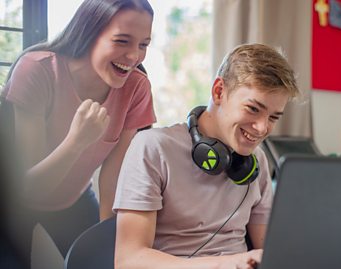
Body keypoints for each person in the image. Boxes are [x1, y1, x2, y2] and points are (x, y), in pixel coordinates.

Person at [113, 43, 299, 269]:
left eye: (273, 117)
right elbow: (129, 260)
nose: (262, 128)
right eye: (253, 109)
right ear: (219, 91)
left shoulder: (256, 160)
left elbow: (270, 252)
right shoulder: (153, 147)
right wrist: (228, 263)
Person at [0, 0, 156, 266]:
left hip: (73, 199)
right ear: (89, 33)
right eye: (122, 41)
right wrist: (77, 141)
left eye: (143, 45)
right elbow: (29, 189)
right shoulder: (37, 69)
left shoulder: (136, 88)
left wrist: (108, 244)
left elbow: (112, 176)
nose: (134, 57)